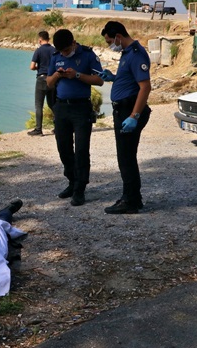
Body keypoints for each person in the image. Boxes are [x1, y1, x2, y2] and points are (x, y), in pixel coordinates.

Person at [99, 21, 152, 214]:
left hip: (128, 110)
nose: (109, 45)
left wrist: (134, 116)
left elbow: (145, 86)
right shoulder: (127, 53)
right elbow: (130, 78)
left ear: (118, 37)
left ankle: (130, 201)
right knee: (126, 156)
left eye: (109, 41)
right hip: (122, 109)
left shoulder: (137, 54)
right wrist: (114, 78)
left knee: (126, 157)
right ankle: (132, 198)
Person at [46, 29, 104, 206]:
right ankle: (71, 181)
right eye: (61, 51)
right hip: (62, 107)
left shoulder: (87, 54)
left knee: (81, 149)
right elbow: (48, 82)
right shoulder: (56, 56)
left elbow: (99, 80)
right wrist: (58, 74)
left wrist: (77, 75)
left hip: (81, 108)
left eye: (66, 50)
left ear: (73, 43)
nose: (64, 53)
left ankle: (80, 188)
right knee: (63, 147)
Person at [28, 31, 57, 136]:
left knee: (39, 105)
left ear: (40, 39)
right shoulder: (54, 50)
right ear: (48, 39)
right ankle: (58, 127)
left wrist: (38, 68)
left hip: (41, 79)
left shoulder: (38, 51)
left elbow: (31, 67)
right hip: (52, 79)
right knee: (52, 104)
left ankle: (38, 129)